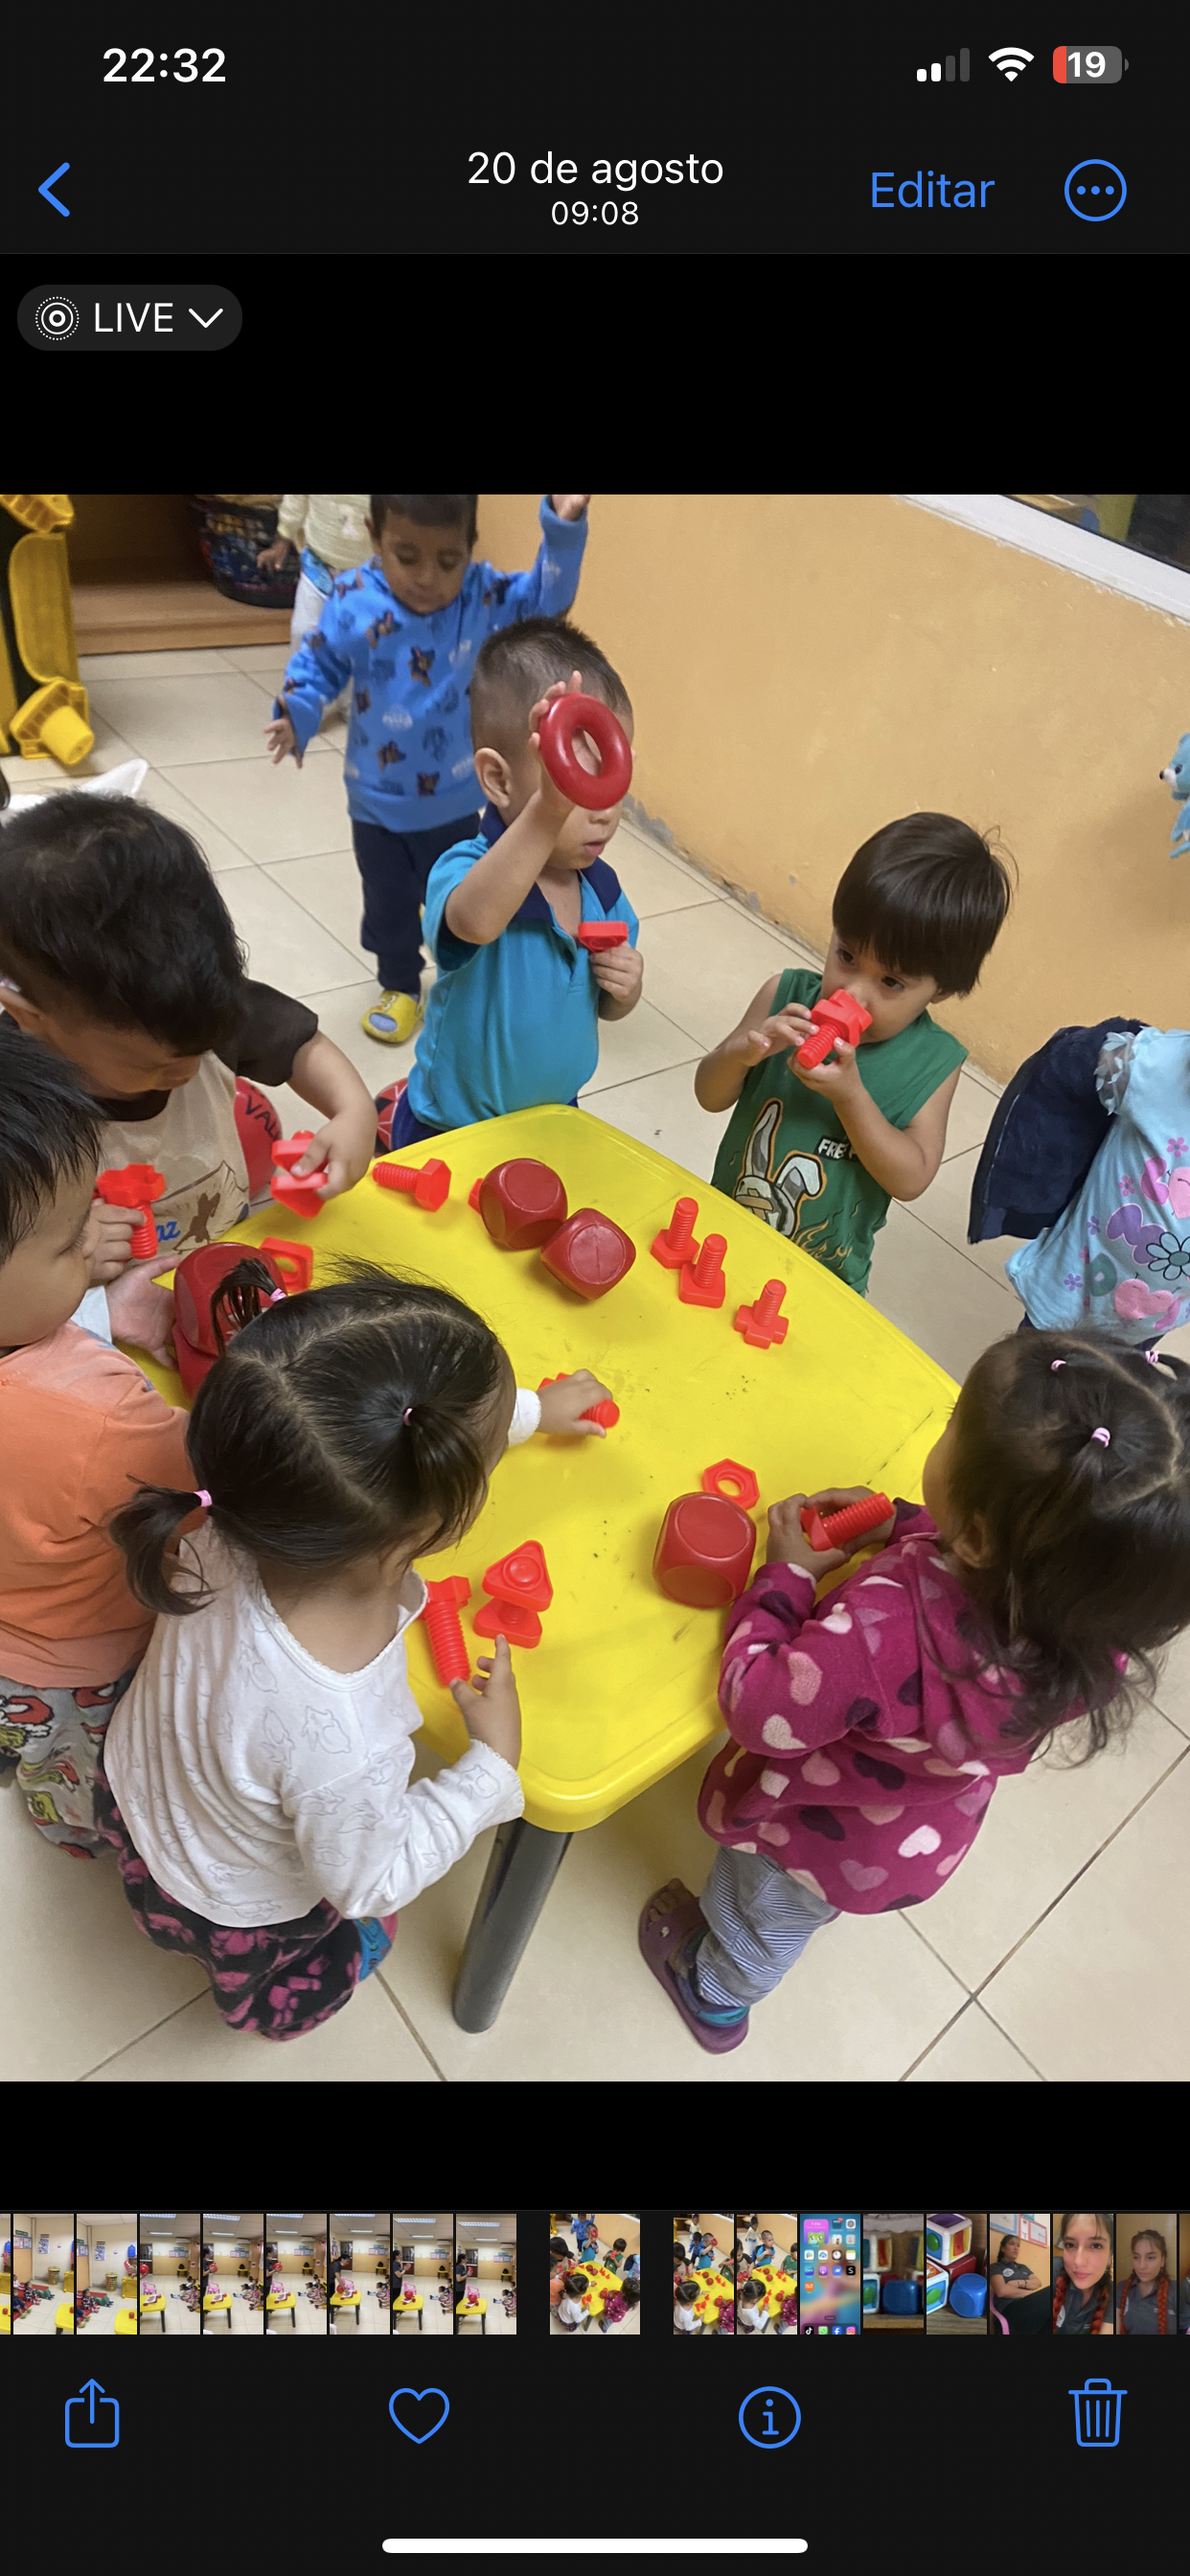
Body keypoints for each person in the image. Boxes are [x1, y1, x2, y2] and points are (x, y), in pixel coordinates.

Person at [640, 1325, 1190, 2050]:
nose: (947, 1431)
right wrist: (911, 1524)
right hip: (904, 1828)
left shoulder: (883, 1634)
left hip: (809, 1832)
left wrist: (786, 1577)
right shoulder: (1090, 1636)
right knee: (798, 1907)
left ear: (981, 1539)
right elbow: (1018, 1566)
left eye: (954, 1425)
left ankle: (715, 1992)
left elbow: (757, 1705)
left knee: (760, 1912)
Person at [97, 1268, 613, 2037]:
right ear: (430, 1524)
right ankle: (283, 2001)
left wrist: (530, 1411)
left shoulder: (247, 1504)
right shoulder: (345, 1735)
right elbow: (373, 1879)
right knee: (326, 1952)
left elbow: (374, 1441)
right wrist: (490, 1768)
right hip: (230, 1904)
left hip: (133, 1791)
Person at [0, 794, 378, 1365]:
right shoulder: (15, 1099)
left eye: (202, 1051)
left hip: (222, 1242)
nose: (188, 1071)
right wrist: (70, 1243)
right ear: (32, 1018)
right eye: (151, 1065)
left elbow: (303, 1045)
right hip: (106, 1311)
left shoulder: (195, 1008)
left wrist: (354, 1111)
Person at [263, 494, 590, 1046]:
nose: (426, 577)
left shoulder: (482, 596)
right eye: (406, 555)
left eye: (448, 560)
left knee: (462, 897)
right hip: (376, 802)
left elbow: (546, 600)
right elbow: (319, 662)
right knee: (388, 903)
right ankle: (399, 984)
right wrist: (298, 709)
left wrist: (563, 525)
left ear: (470, 548)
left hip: (457, 800)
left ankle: (465, 981)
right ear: (374, 536)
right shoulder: (352, 598)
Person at [0, 1024, 192, 1851]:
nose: (96, 1237)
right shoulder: (98, 1419)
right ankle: (77, 1829)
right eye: (72, 1236)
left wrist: (99, 1312)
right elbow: (231, 1466)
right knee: (79, 1772)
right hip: (76, 1660)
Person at [696, 814, 1012, 1296]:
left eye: (891, 982)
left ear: (941, 990)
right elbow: (709, 1095)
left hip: (827, 1279)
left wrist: (851, 1097)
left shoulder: (933, 1062)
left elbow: (912, 1178)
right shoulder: (783, 996)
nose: (853, 992)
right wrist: (743, 1053)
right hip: (723, 1235)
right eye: (846, 956)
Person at [390, 632, 643, 1146]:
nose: (604, 811)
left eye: (611, 781)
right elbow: (475, 922)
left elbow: (607, 1006)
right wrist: (549, 810)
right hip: (450, 1128)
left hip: (551, 1120)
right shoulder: (466, 869)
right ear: (499, 781)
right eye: (576, 782)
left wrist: (627, 989)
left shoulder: (604, 895)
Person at [1000, 1020, 1190, 1349]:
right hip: (1072, 1284)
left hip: (1156, 1314)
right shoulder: (1160, 1063)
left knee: (1113, 1377)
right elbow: (1098, 1066)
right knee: (1027, 1371)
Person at [256, 494, 373, 653]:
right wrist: (283, 538)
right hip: (318, 565)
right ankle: (303, 669)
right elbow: (296, 500)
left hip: (368, 574)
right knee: (303, 631)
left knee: (359, 641)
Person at [1052, 2213, 1114, 2334]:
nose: (1078, 2261)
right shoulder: (1055, 2270)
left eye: (1096, 2246)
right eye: (1070, 2245)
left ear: (1110, 2256)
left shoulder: (1111, 2292)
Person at [1117, 2229, 1175, 2334]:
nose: (1141, 2266)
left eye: (1150, 2258)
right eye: (1136, 2257)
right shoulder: (1122, 2287)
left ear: (1162, 2260)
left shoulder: (1175, 2291)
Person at [987, 2236, 1045, 2329]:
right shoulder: (995, 2267)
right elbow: (1001, 2291)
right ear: (1003, 2248)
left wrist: (1018, 2283)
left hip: (1027, 2306)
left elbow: (1038, 2283)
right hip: (1007, 2309)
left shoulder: (1023, 2267)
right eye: (1011, 2244)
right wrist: (1029, 2293)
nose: (1016, 2248)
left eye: (1018, 2245)